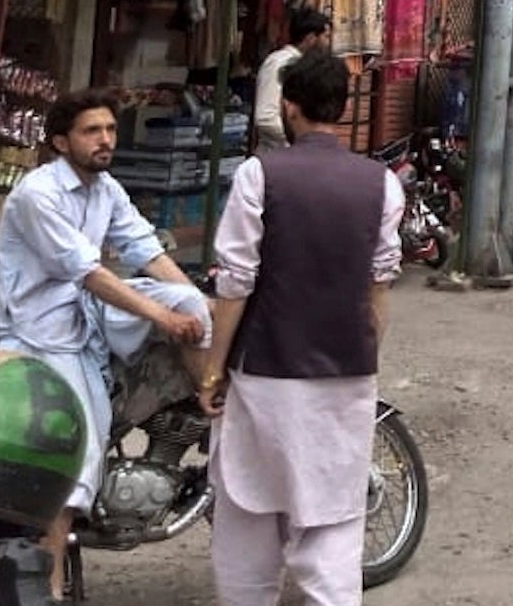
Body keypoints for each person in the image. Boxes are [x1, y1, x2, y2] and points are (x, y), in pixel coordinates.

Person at [200, 48, 403, 606]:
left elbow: (235, 282)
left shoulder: (258, 174)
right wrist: (364, 355)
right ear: (341, 107)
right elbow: (379, 286)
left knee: (248, 519)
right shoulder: (382, 184)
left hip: (266, 371)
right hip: (346, 376)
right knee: (335, 525)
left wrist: (213, 371)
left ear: (288, 106)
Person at [0, 91, 213, 602]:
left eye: (111, 130)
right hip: (44, 331)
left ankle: (208, 400)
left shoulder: (105, 189)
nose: (106, 140)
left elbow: (147, 251)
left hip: (89, 318)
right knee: (79, 452)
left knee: (192, 302)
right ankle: (46, 588)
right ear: (60, 141)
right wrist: (162, 317)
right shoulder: (37, 195)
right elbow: (87, 272)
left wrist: (192, 309)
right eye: (93, 131)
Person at [252, 6, 330, 154]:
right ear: (311, 38)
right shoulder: (278, 63)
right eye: (326, 37)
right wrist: (301, 137)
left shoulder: (308, 65)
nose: (328, 43)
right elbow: (265, 117)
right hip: (277, 157)